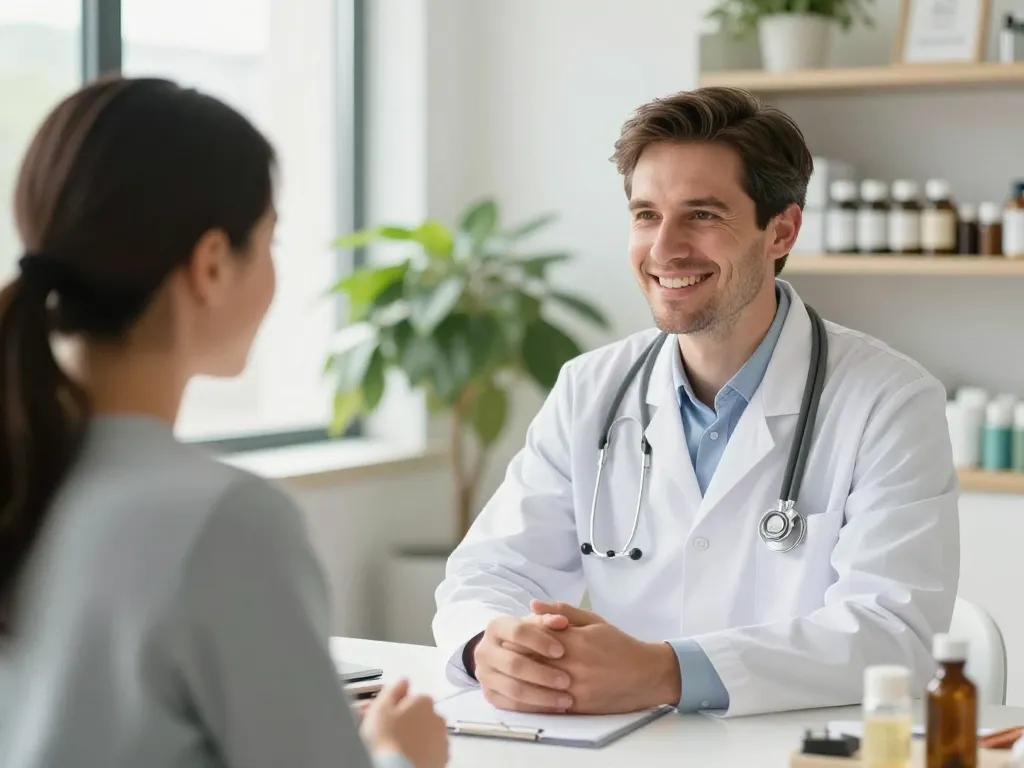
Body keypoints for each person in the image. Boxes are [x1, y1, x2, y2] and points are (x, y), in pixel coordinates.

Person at [432, 86, 960, 718]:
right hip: (624, 743)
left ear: (781, 230)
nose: (664, 249)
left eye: (702, 215)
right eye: (646, 215)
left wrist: (668, 672)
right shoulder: (589, 389)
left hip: (795, 748)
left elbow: (893, 632)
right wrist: (489, 647)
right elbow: (490, 571)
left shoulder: (889, 401)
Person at [0, 76, 448, 768]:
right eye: (270, 242)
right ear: (210, 265)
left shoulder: (26, 479)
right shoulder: (225, 520)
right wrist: (398, 754)